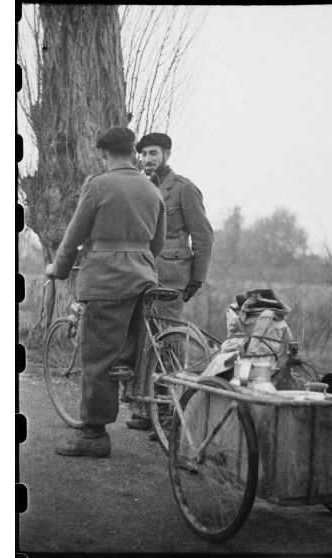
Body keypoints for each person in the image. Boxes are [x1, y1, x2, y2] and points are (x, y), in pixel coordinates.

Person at [45, 126, 166, 458]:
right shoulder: (151, 189)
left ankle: (94, 435)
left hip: (107, 281)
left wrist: (59, 268)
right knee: (130, 353)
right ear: (133, 152)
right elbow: (157, 242)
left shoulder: (98, 186)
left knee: (97, 358)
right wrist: (138, 262)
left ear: (104, 153)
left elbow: (73, 236)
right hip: (143, 279)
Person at [126, 132, 214, 432]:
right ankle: (143, 408)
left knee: (171, 343)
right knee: (143, 339)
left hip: (173, 276)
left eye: (154, 153)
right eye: (145, 154)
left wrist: (197, 278)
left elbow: (203, 235)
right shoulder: (140, 187)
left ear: (167, 155)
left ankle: (169, 415)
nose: (148, 159)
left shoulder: (184, 189)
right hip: (142, 273)